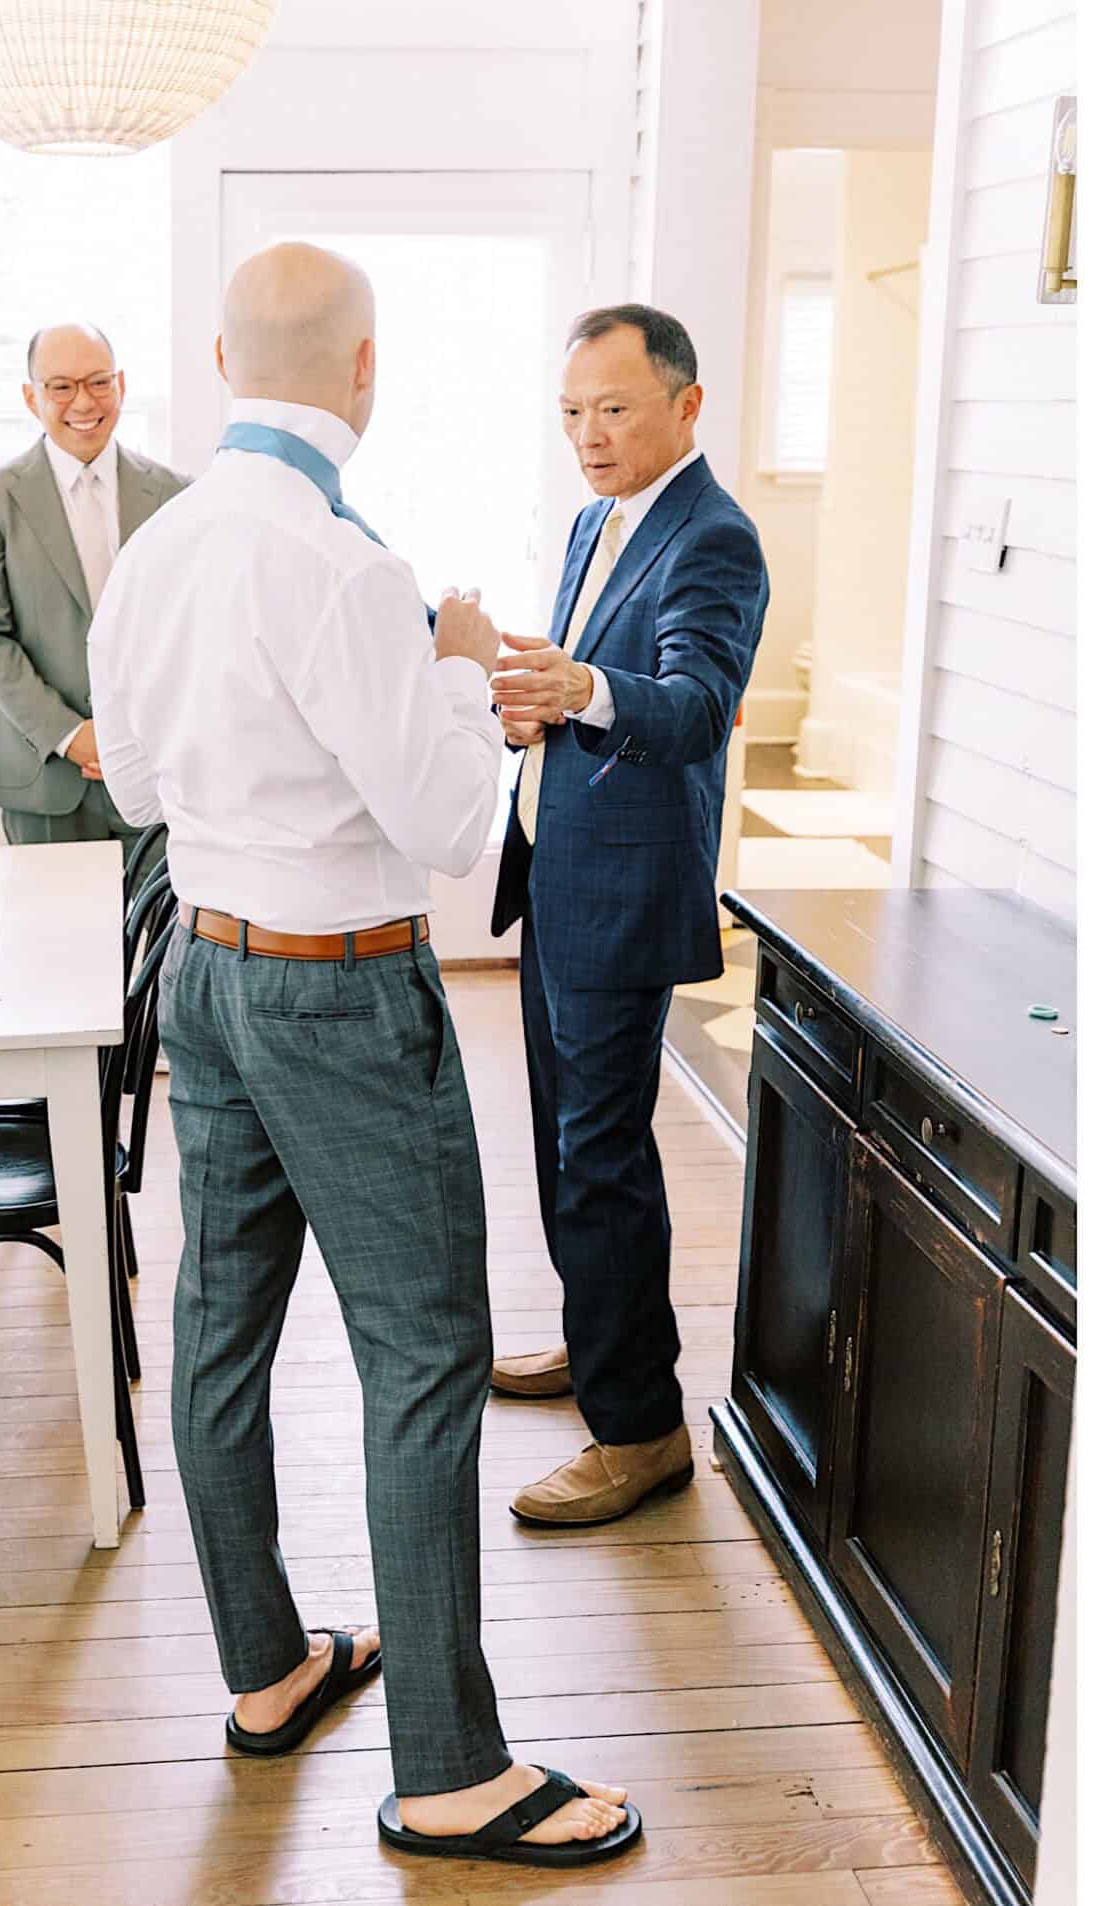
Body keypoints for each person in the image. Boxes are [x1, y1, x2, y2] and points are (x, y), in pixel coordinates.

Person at [88, 241, 637, 1868]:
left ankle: (266, 1671)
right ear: (367, 369)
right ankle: (456, 1771)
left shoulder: (159, 542)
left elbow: (130, 794)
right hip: (338, 991)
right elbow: (455, 823)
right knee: (424, 1358)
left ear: (217, 358)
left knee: (216, 1333)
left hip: (205, 968)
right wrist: (465, 663)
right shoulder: (338, 565)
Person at [487, 305, 770, 1528]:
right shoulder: (594, 520)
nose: (587, 437)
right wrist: (536, 706)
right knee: (565, 1141)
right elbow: (598, 688)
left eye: (611, 408)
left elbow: (695, 704)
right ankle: (601, 1348)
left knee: (599, 1155)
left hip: (620, 893)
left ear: (683, 404)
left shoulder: (716, 537)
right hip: (556, 870)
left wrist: (586, 686)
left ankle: (640, 1431)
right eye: (570, 414)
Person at [0, 323, 185, 848]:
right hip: (44, 778)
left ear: (121, 385)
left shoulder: (175, 495)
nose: (83, 401)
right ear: (31, 396)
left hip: (156, 773)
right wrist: (71, 735)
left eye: (98, 382)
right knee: (51, 933)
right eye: (60, 386)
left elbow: (191, 632)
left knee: (154, 932)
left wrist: (146, 735)